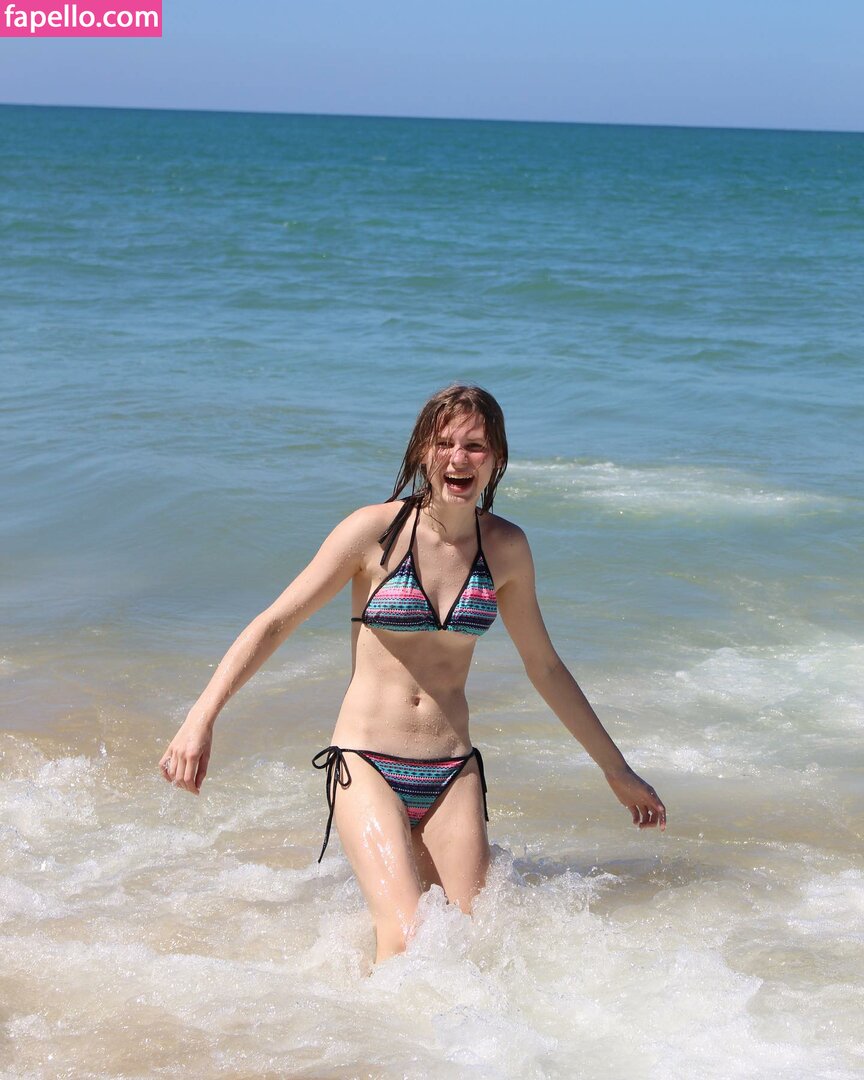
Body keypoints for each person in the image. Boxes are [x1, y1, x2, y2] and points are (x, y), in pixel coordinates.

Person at [160, 385, 666, 963]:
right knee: (408, 934)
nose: (458, 458)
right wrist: (200, 720)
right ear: (423, 450)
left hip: (452, 771)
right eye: (445, 443)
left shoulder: (506, 548)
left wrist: (616, 770)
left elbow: (545, 666)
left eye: (475, 446)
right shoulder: (373, 532)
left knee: (471, 944)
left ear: (496, 458)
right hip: (367, 762)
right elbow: (276, 622)